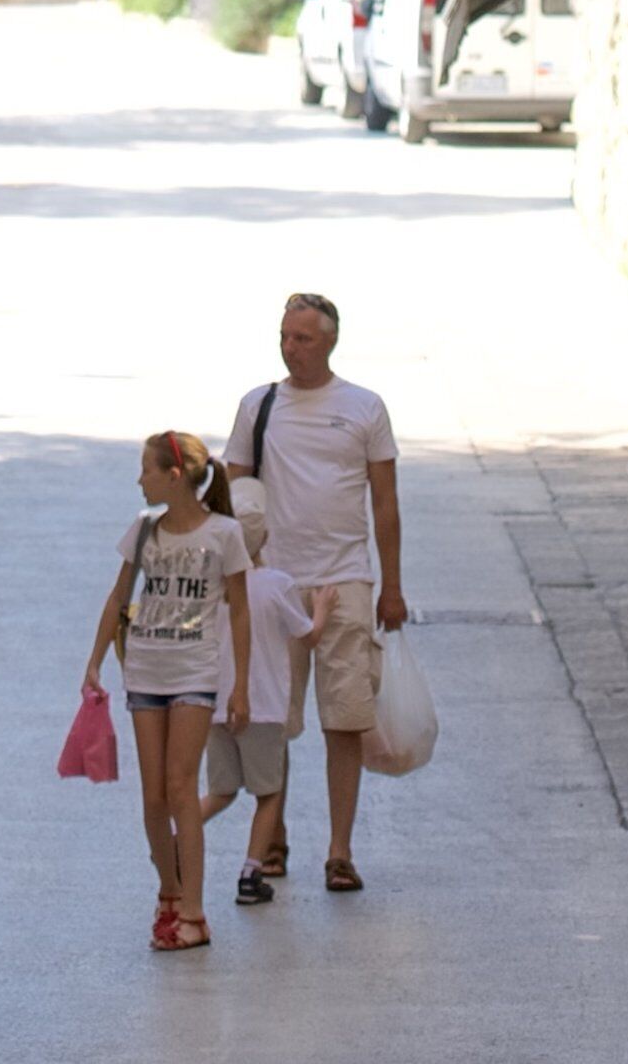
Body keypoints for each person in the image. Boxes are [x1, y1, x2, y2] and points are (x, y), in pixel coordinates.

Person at [223, 290, 403, 894]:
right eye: (284, 336)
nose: (290, 347)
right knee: (273, 719)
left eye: (302, 338)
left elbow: (385, 503)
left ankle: (340, 851)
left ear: (329, 341)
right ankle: (272, 841)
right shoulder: (259, 406)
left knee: (344, 719)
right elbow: (234, 498)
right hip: (275, 581)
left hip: (345, 575)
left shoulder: (363, 408)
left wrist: (391, 586)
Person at [86, 431, 253, 953]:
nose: (140, 479)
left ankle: (195, 911)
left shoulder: (224, 534)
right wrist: (93, 662)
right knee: (154, 794)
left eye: (147, 469)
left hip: (195, 672)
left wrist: (240, 683)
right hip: (145, 670)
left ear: (174, 476)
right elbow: (119, 596)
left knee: (183, 785)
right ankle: (168, 891)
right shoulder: (143, 531)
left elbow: (241, 609)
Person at [201, 511, 315, 905]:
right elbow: (307, 634)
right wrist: (327, 608)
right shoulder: (277, 585)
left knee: (220, 791)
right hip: (264, 707)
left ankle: (178, 835)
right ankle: (251, 871)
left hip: (215, 707)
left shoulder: (213, 588)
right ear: (263, 538)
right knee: (269, 793)